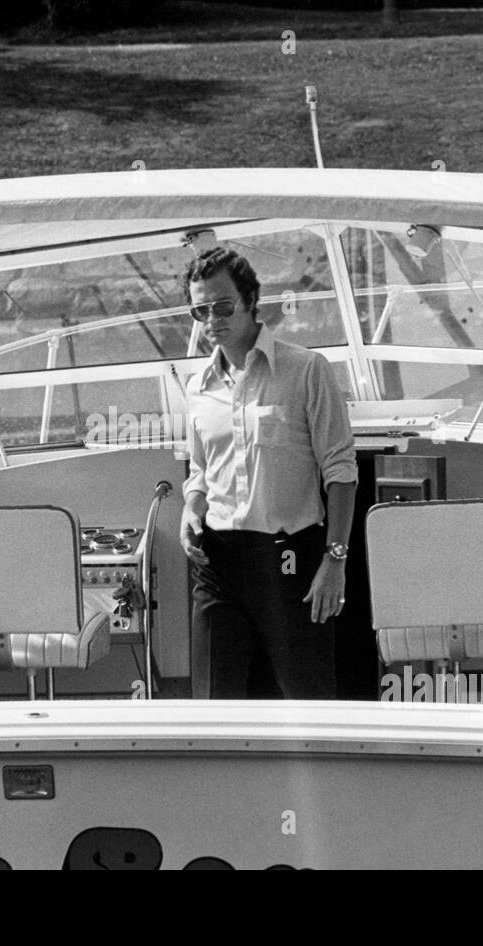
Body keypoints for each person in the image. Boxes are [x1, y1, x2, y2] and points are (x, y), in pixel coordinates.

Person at [180, 247, 358, 699]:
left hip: (289, 557)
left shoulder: (306, 370)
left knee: (307, 699)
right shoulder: (196, 385)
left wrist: (334, 562)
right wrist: (191, 505)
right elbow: (200, 469)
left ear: (251, 299)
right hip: (218, 561)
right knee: (212, 704)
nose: (211, 319)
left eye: (222, 306)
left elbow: (340, 470)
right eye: (200, 310)